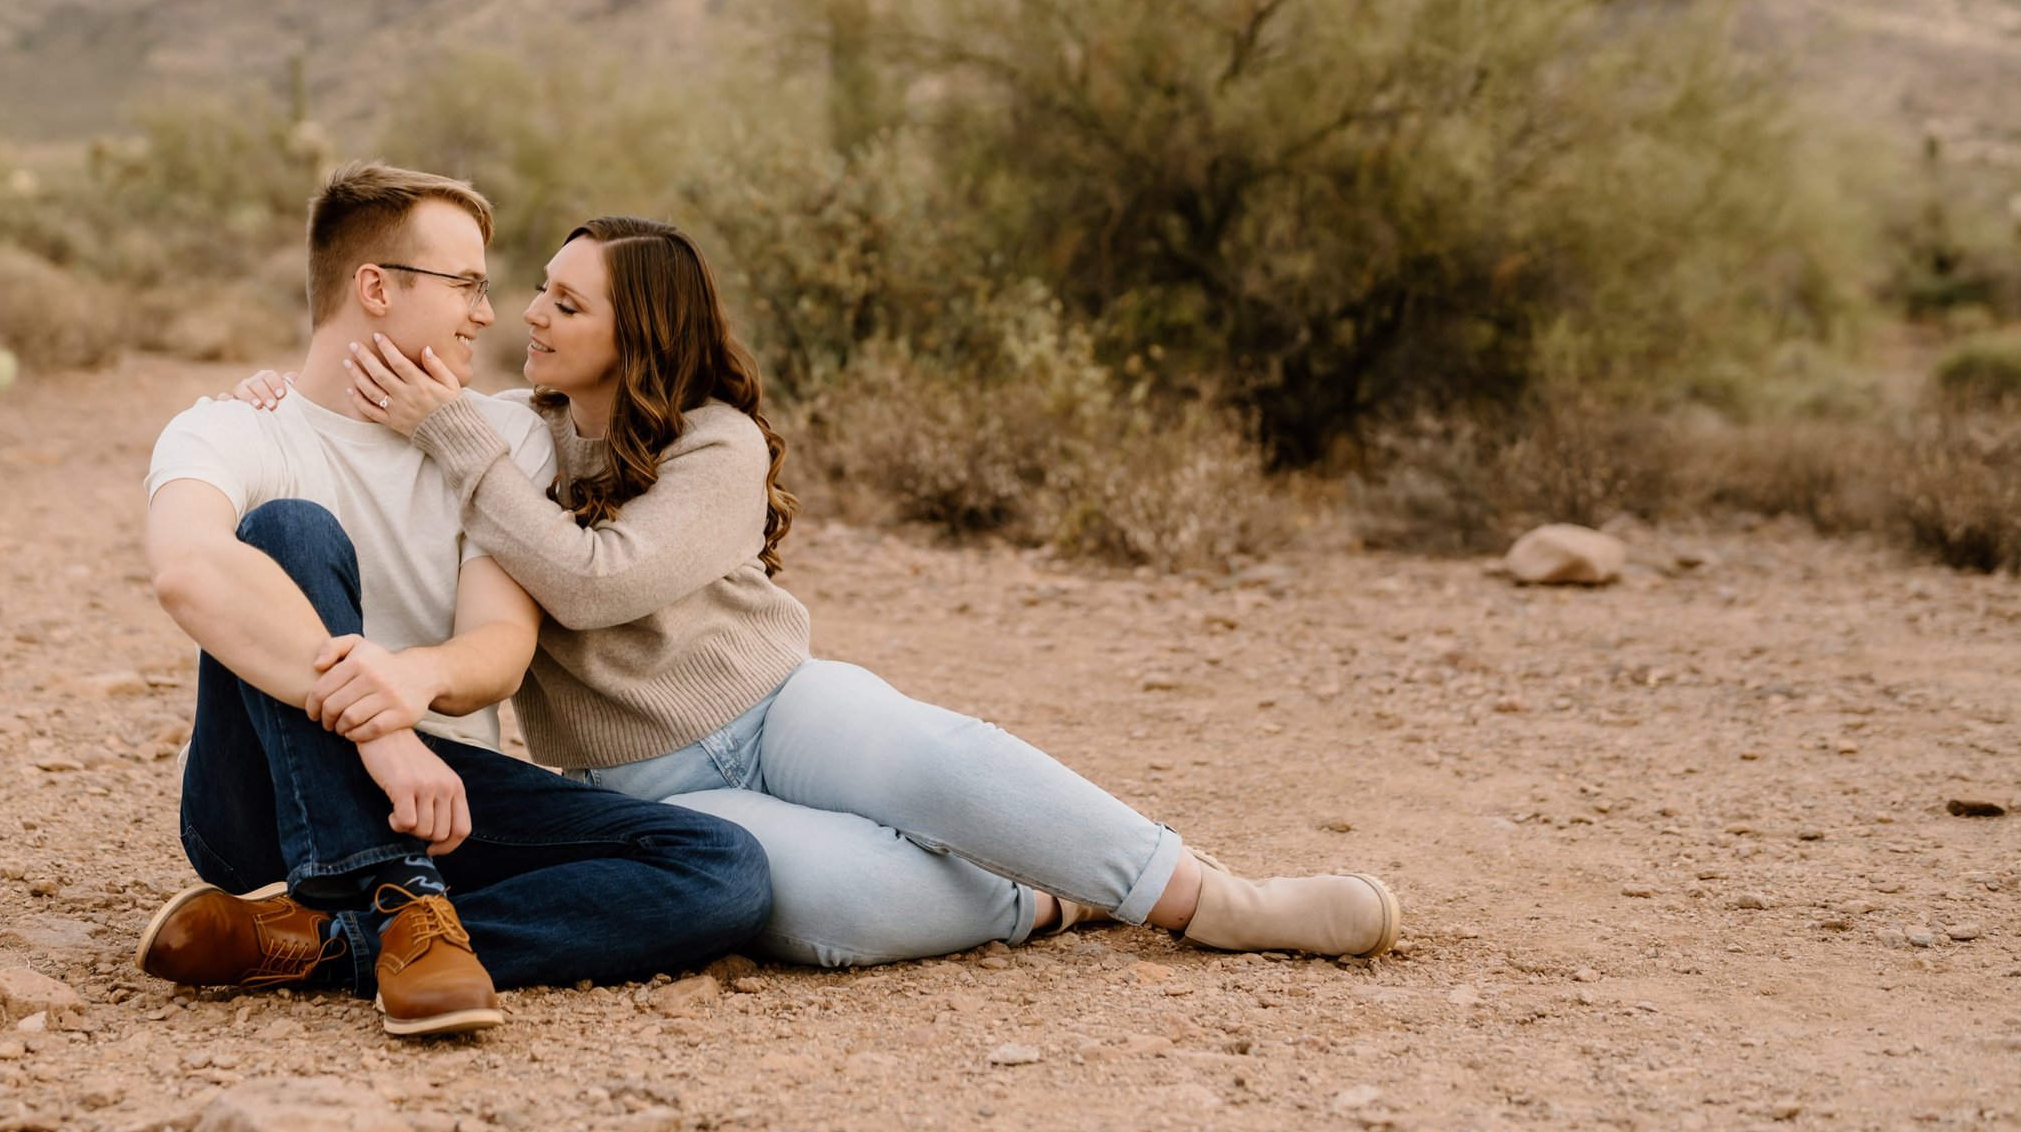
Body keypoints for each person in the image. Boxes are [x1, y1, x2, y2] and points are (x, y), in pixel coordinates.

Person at [226, 214, 1399, 972]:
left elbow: (601, 582)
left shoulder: (715, 443)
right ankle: (1047, 906)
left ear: (640, 334)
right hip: (638, 773)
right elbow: (379, 429)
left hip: (782, 707)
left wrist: (449, 435)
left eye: (565, 303)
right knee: (811, 910)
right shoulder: (504, 436)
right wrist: (290, 394)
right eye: (536, 290)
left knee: (939, 763)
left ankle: (1215, 899)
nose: (529, 314)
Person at [140, 168, 771, 1037]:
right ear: (375, 288)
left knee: (721, 868)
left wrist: (413, 692)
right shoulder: (232, 429)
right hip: (262, 813)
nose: (490, 311)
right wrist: (387, 734)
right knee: (288, 530)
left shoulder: (502, 437)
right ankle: (402, 893)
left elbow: (498, 651)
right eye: (468, 285)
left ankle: (344, 936)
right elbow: (186, 567)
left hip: (442, 800)